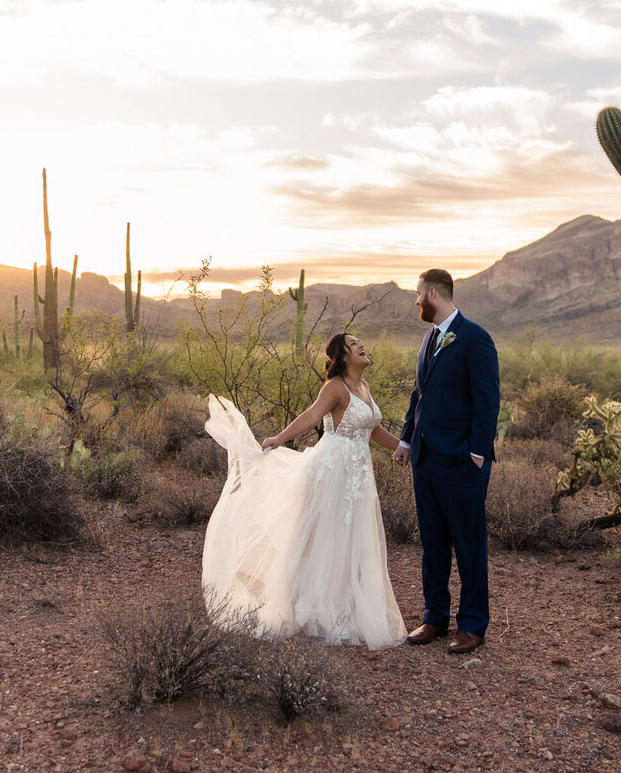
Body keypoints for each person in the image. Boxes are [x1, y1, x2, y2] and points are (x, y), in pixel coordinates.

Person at [201, 333, 408, 649]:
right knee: (327, 538)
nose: (360, 346)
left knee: (350, 537)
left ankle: (340, 608)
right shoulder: (335, 387)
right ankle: (323, 613)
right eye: (352, 345)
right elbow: (312, 415)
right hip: (331, 469)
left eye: (359, 342)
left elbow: (373, 429)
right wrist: (279, 438)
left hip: (357, 474)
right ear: (342, 357)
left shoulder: (363, 388)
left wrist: (405, 448)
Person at [393, 269, 499, 654]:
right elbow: (418, 395)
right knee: (432, 542)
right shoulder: (429, 338)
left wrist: (476, 453)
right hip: (425, 460)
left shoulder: (475, 337)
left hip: (461, 462)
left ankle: (472, 625)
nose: (416, 301)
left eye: (418, 294)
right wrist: (406, 439)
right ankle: (434, 616)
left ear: (433, 293)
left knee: (468, 544)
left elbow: (487, 399)